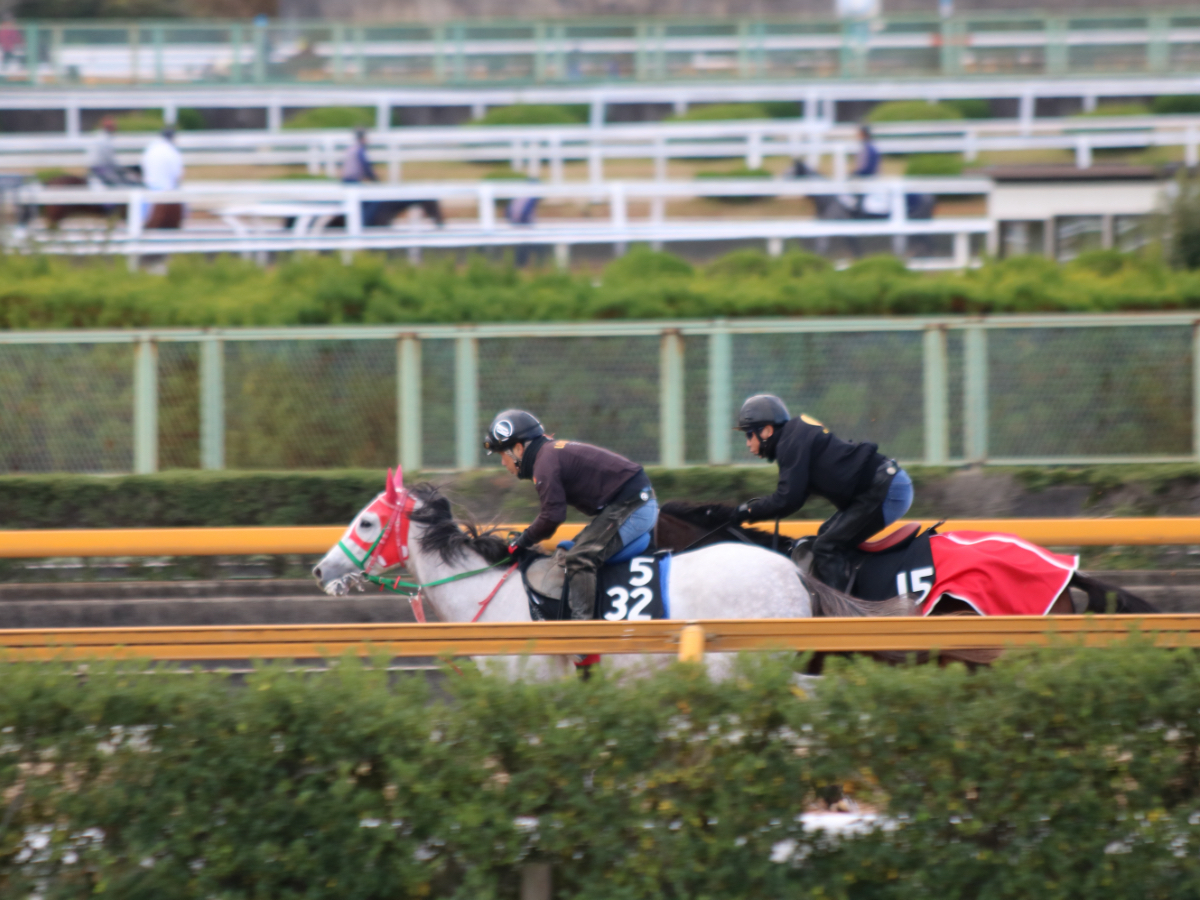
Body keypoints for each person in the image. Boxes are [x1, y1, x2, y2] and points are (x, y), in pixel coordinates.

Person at [484, 409, 658, 621]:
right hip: (626, 503)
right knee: (566, 556)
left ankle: (581, 637)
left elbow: (553, 516)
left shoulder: (544, 464)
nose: (503, 463)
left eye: (503, 455)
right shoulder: (547, 456)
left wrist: (522, 541)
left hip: (634, 506)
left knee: (579, 558)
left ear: (518, 449)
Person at [732, 393, 913, 592]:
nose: (748, 442)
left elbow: (787, 499)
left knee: (827, 547)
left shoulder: (789, 444)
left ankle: (845, 613)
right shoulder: (792, 437)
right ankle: (862, 589)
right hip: (882, 485)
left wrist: (748, 511)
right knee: (825, 535)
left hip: (886, 489)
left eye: (749, 434)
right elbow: (795, 496)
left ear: (766, 430)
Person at [140, 125, 184, 229]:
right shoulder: (172, 152)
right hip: (167, 191)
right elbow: (177, 175)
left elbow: (143, 167)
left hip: (149, 189)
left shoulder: (151, 149)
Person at [86, 117, 133, 186]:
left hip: (97, 168)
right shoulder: (104, 140)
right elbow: (110, 161)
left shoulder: (98, 136)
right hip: (101, 170)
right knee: (122, 183)